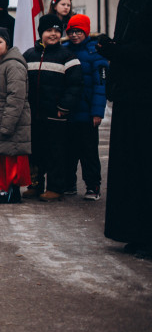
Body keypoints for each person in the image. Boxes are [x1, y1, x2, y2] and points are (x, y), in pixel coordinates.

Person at [99, 0, 152, 257]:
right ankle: (134, 231)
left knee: (144, 164)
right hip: (129, 94)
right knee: (128, 165)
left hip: (146, 94)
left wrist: (115, 50)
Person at [22, 13, 81, 201]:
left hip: (55, 115)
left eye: (57, 30)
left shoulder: (67, 57)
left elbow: (75, 85)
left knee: (55, 152)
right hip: (34, 114)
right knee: (34, 152)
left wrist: (64, 107)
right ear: (41, 33)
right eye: (49, 30)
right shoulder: (29, 55)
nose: (53, 34)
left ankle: (55, 187)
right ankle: (35, 184)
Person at [0, 27, 32, 204]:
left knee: (11, 157)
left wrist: (7, 124)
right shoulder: (0, 63)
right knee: (1, 155)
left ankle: (12, 191)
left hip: (12, 119)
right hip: (0, 116)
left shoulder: (13, 65)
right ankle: (4, 190)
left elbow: (16, 97)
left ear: (7, 43)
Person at [62, 14, 107, 201]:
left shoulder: (95, 53)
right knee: (68, 151)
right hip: (68, 111)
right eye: (71, 31)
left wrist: (97, 112)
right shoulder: (64, 51)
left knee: (88, 152)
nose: (74, 35)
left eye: (78, 31)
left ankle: (92, 186)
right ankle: (68, 183)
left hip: (88, 113)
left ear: (86, 32)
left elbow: (100, 85)